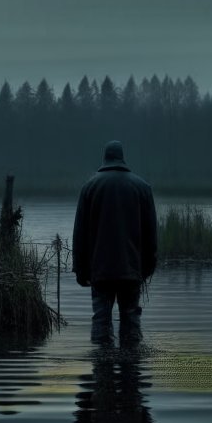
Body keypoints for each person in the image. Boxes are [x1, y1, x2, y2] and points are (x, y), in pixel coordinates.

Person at [72, 140, 157, 346]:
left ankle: (102, 362)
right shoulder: (142, 187)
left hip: (100, 272)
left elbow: (79, 234)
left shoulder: (89, 187)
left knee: (101, 321)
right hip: (131, 271)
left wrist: (80, 271)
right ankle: (131, 362)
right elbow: (151, 234)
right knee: (131, 321)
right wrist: (147, 269)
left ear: (105, 158)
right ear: (122, 157)